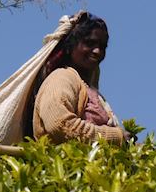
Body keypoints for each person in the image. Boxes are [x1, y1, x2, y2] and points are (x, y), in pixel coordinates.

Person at [32, 12, 130, 145]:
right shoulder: (61, 78)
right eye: (90, 43)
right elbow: (59, 125)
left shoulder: (90, 90)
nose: (97, 51)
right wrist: (116, 137)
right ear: (70, 45)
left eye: (102, 47)